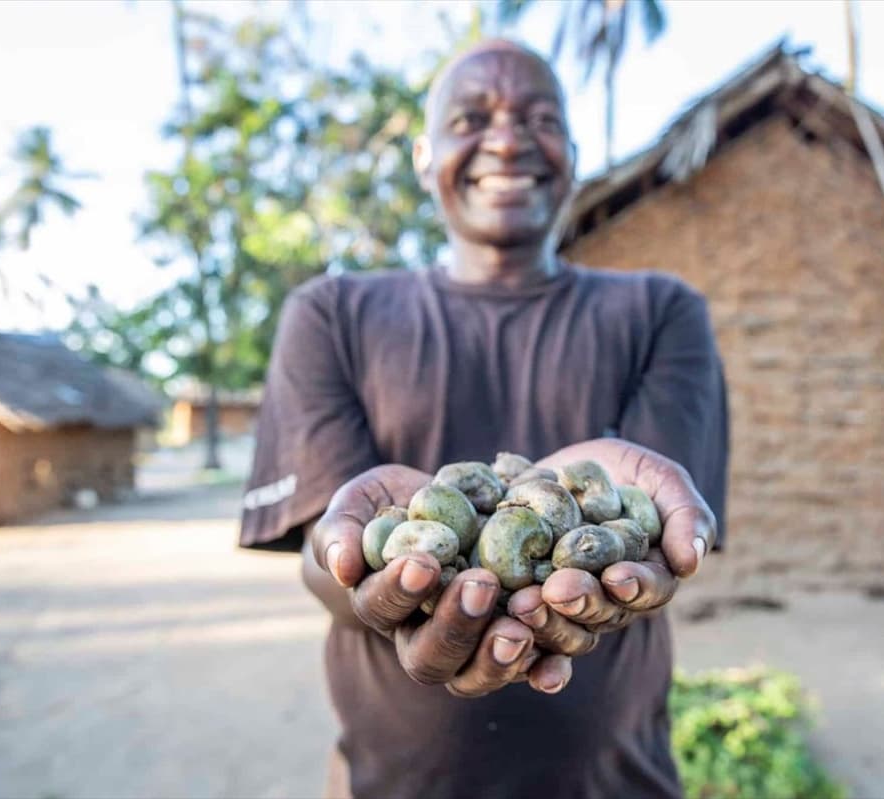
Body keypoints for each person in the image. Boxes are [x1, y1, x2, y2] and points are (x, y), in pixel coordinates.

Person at [239, 38, 730, 799]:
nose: (506, 141)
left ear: (572, 153)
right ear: (422, 155)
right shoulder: (331, 313)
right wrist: (364, 572)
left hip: (618, 781)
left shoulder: (661, 311)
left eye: (540, 120)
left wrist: (595, 534)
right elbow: (323, 550)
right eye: (471, 119)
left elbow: (654, 537)